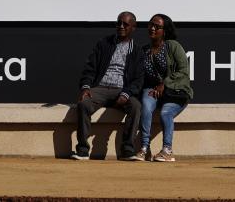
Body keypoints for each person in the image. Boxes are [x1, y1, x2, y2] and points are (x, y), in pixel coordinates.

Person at [72, 11, 144, 160]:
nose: (121, 26)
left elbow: (138, 79)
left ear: (133, 27)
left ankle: (127, 150)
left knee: (136, 107)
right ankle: (83, 150)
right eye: (119, 23)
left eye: (125, 24)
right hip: (101, 88)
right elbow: (90, 68)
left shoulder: (137, 51)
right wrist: (85, 87)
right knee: (84, 104)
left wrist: (126, 94)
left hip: (122, 90)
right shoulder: (104, 44)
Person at [136, 13, 192, 162]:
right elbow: (140, 76)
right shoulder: (144, 50)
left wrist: (164, 83)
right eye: (151, 25)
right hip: (153, 90)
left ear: (164, 31)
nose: (153, 28)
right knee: (146, 107)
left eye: (157, 26)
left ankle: (167, 150)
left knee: (165, 113)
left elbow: (183, 71)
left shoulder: (173, 46)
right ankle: (144, 148)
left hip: (175, 91)